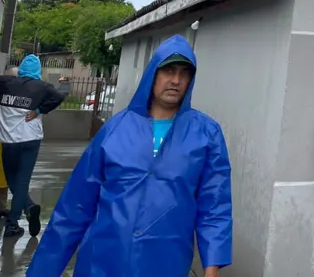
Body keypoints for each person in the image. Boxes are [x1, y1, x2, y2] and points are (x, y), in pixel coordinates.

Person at [28, 35, 232, 277]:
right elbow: (75, 205)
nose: (176, 80)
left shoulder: (206, 134)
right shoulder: (115, 130)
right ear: (153, 74)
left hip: (165, 262)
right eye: (168, 70)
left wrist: (212, 267)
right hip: (103, 261)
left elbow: (215, 206)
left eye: (184, 73)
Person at [0, 55, 66, 239]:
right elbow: (60, 96)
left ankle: (12, 224)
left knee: (13, 179)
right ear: (37, 71)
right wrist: (38, 110)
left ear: (21, 68)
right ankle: (28, 208)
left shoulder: (6, 82)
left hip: (9, 141)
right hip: (31, 141)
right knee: (20, 182)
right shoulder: (43, 87)